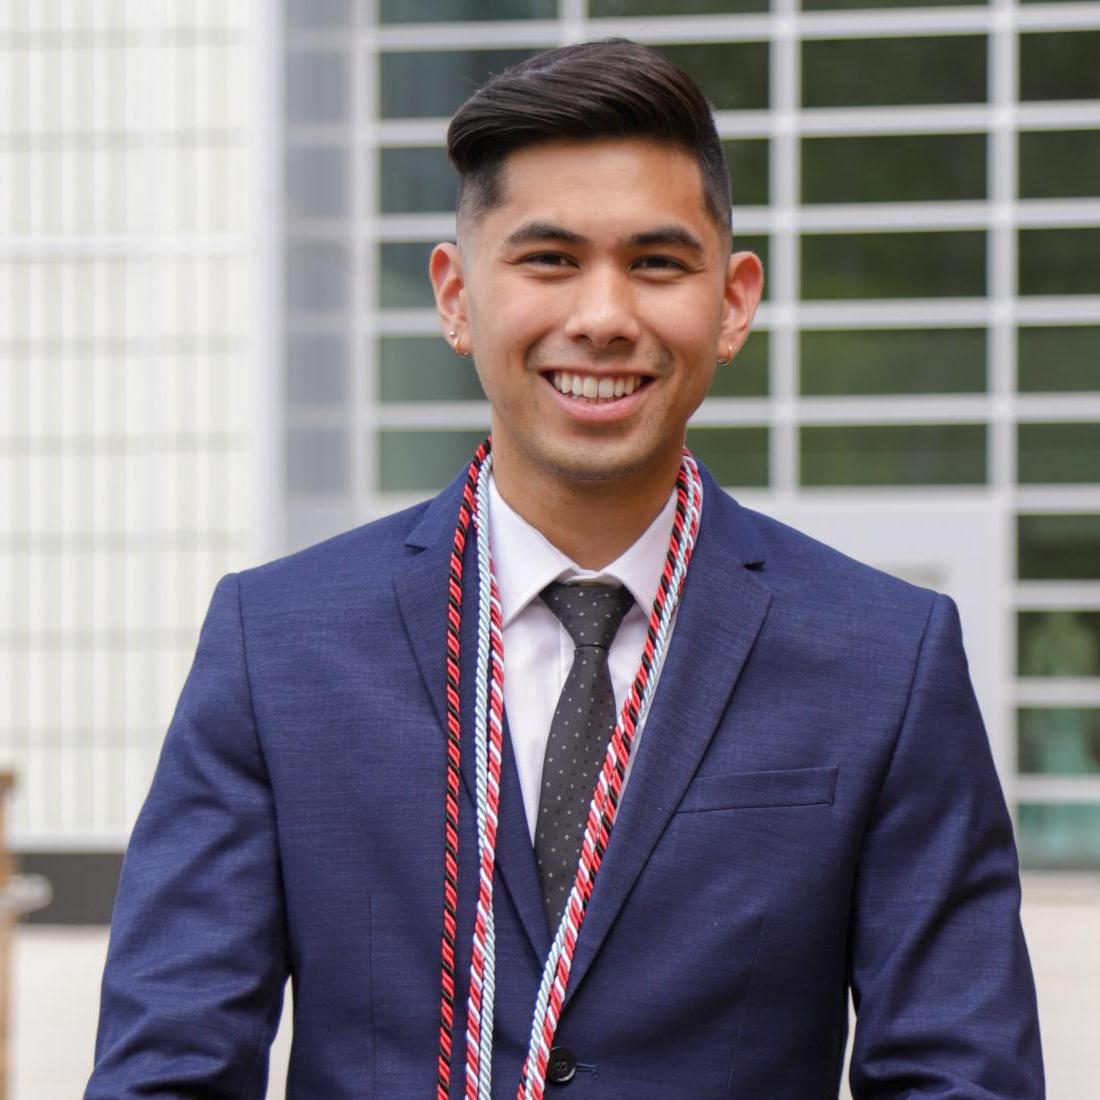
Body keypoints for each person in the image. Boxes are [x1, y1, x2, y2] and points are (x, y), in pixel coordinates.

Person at [86, 39, 1044, 1100]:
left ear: (731, 301)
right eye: (547, 259)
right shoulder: (278, 643)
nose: (600, 315)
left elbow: (960, 1075)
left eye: (654, 262)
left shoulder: (883, 659)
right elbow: (167, 1069)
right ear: (455, 295)